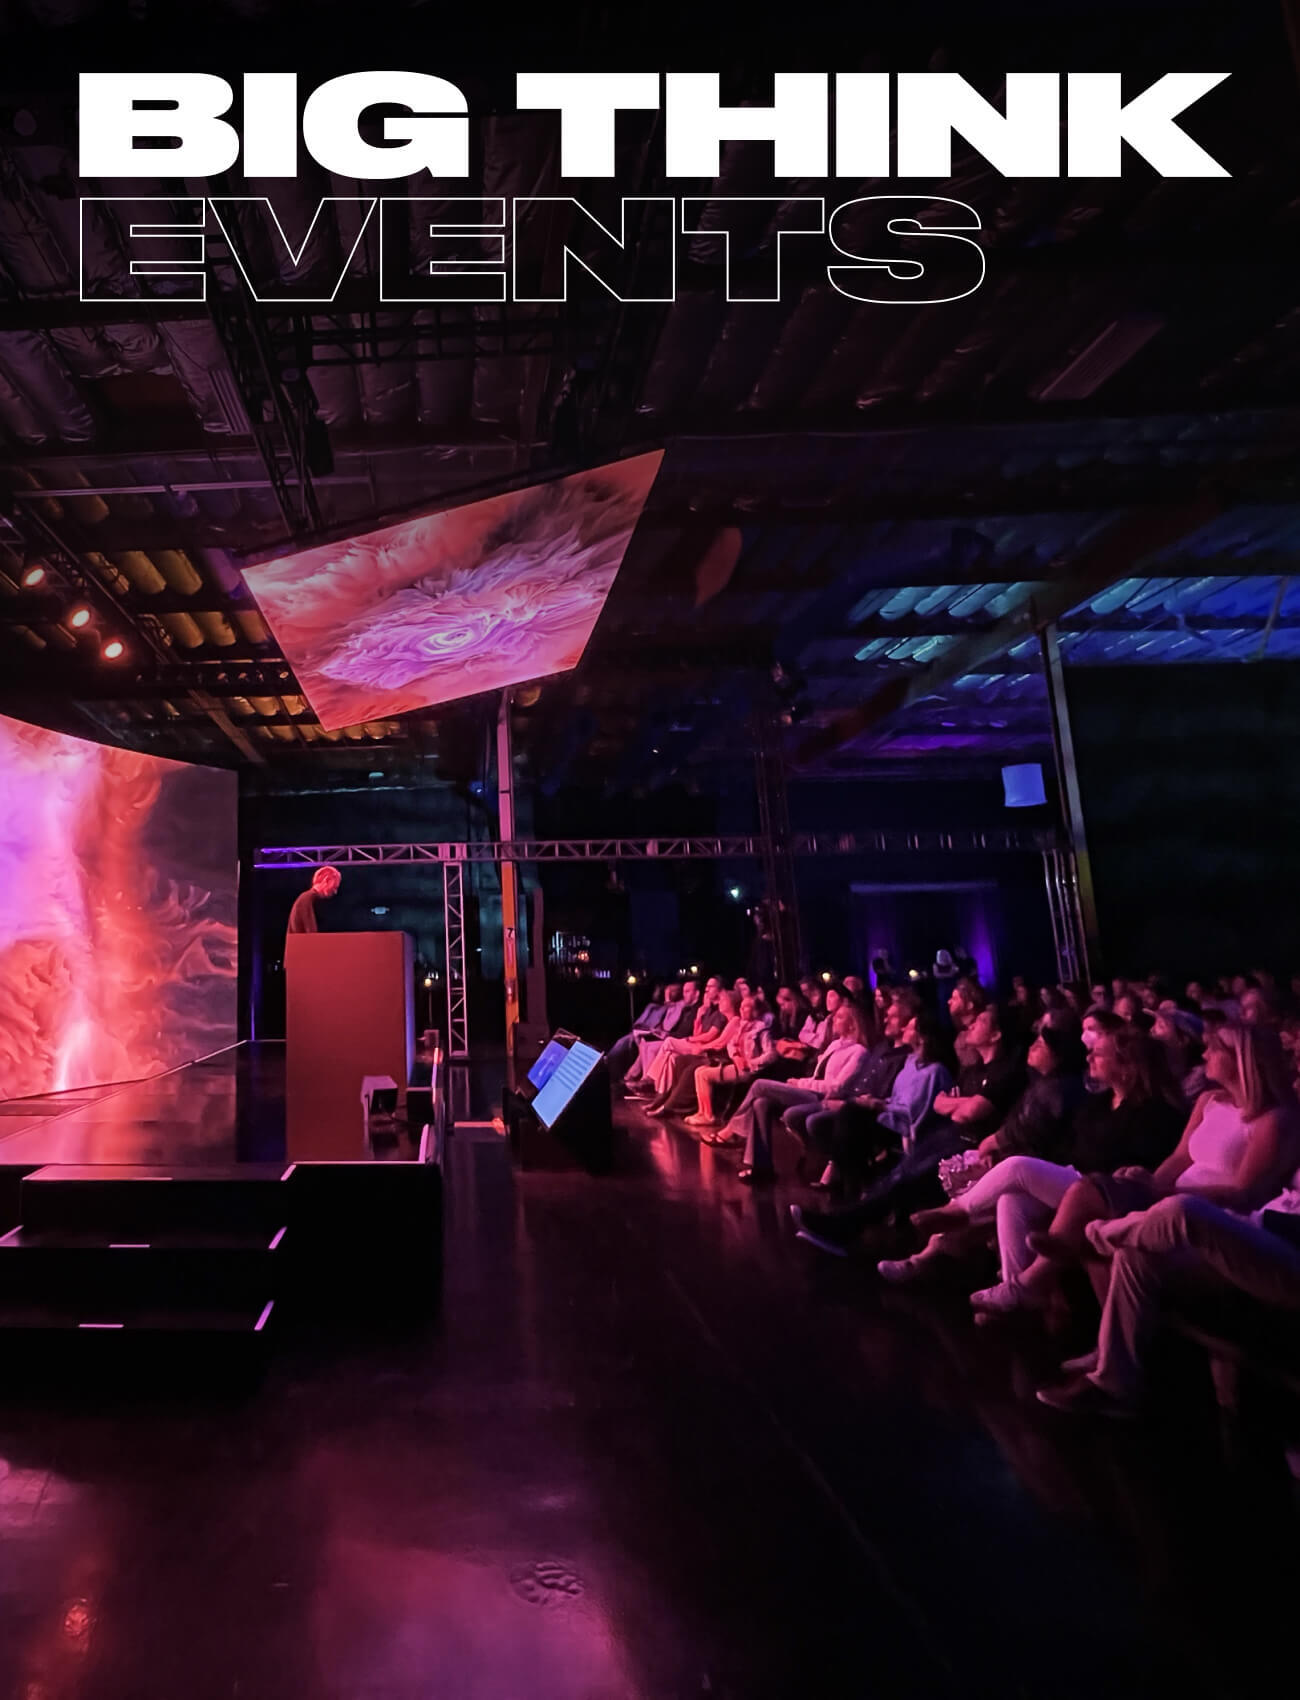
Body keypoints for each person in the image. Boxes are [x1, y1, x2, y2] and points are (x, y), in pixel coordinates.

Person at [966, 1022, 1299, 1316]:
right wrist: (1150, 1184)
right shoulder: (1209, 1100)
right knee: (1017, 1199)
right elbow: (1180, 1157)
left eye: (1216, 1048)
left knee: (1049, 1179)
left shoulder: (1274, 1119)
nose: (1205, 1052)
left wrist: (1163, 1192)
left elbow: (1245, 1192)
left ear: (1242, 1059)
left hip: (1210, 1214)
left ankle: (972, 1223)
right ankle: (1023, 1296)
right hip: (1164, 1195)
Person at [1036, 1180, 1300, 1417]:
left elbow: (1247, 1192)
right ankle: (1114, 1382)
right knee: (1136, 1256)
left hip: (1288, 1256)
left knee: (1184, 1211)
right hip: (1260, 1228)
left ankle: (1095, 1238)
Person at [792, 1009, 954, 1219]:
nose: (905, 1029)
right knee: (844, 1117)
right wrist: (877, 1103)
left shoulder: (935, 1071)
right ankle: (859, 1186)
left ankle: (855, 1193)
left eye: (911, 1027)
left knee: (850, 1115)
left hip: (903, 1126)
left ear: (922, 1037)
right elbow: (897, 1099)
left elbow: (915, 1111)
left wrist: (879, 1106)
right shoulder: (910, 1063)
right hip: (888, 1114)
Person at [713, 1003, 871, 1184]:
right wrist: (803, 1083)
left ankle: (734, 1130)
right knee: (761, 1103)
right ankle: (761, 1167)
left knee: (759, 1085)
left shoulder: (859, 1052)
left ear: (852, 1024)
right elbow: (818, 1074)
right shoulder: (835, 1044)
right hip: (811, 1090)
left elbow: (837, 1088)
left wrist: (800, 1083)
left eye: (840, 1017)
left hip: (825, 1098)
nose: (834, 1019)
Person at [287, 866, 341, 935]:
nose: (335, 892)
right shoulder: (308, 899)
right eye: (334, 887)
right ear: (326, 880)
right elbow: (311, 933)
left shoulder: (305, 898)